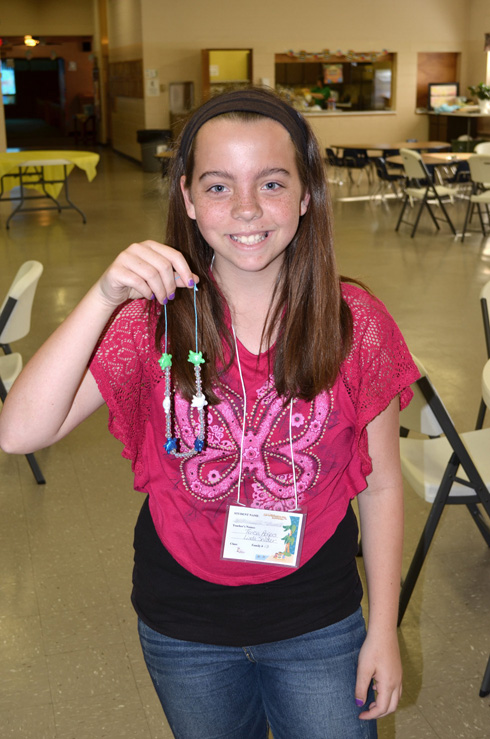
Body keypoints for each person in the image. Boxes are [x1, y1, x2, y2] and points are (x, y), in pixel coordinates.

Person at [0, 86, 419, 739]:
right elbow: (19, 429)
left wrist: (384, 627)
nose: (248, 208)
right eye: (219, 186)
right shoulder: (150, 323)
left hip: (318, 617)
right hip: (185, 623)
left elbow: (385, 481)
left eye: (272, 182)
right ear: (188, 199)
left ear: (306, 194)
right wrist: (104, 295)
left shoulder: (353, 323)